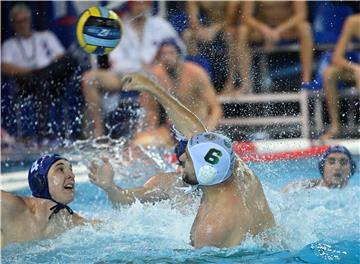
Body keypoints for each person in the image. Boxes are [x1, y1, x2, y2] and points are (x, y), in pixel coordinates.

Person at [88, 73, 275, 248]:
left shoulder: (211, 229)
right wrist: (110, 187)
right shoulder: (229, 168)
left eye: (186, 161)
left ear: (204, 171)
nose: (180, 162)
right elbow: (197, 131)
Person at [81, 1, 184, 138]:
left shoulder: (160, 25)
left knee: (154, 75)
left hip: (157, 75)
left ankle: (150, 132)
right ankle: (98, 135)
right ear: (129, 5)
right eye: (137, 3)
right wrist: (142, 68)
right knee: (89, 79)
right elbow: (117, 64)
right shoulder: (117, 28)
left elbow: (180, 50)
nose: (141, 6)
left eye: (144, 3)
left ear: (149, 5)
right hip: (125, 77)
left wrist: (161, 62)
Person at [1, 3, 79, 141]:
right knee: (41, 83)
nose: (22, 24)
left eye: (24, 20)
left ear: (30, 20)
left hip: (53, 81)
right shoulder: (9, 45)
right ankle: (43, 133)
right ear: (13, 24)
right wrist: (31, 72)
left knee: (70, 60)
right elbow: (5, 67)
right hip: (27, 83)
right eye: (18, 22)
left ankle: (41, 78)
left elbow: (62, 57)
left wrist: (42, 72)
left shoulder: (45, 36)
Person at [133, 38, 223, 147]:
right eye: (163, 54)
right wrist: (147, 131)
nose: (167, 58)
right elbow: (151, 112)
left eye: (170, 53)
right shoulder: (155, 77)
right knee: (139, 142)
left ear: (179, 56)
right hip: (172, 131)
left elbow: (216, 109)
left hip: (198, 128)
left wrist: (207, 132)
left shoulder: (196, 73)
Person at [1, 154, 96, 248]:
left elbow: (108, 229)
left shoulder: (68, 220)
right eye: (60, 169)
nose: (72, 175)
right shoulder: (11, 207)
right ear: (41, 180)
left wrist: (109, 187)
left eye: (70, 169)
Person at [230, 1, 313, 95]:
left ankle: (306, 82)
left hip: (288, 28)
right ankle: (245, 84)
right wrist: (264, 29)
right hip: (263, 30)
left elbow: (301, 14)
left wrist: (278, 30)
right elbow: (246, 17)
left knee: (305, 28)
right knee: (242, 31)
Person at [320, 14, 360, 141]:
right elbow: (336, 57)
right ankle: (335, 126)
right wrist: (355, 68)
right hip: (357, 70)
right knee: (329, 73)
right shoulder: (354, 22)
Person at [182, 1, 234, 94]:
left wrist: (214, 29)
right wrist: (200, 30)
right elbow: (192, 20)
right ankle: (195, 82)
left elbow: (231, 19)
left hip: (225, 28)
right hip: (207, 28)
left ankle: (230, 82)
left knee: (230, 34)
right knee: (187, 35)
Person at [282, 145, 357, 192]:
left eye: (343, 162)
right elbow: (286, 190)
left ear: (351, 169)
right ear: (322, 167)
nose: (337, 167)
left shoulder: (354, 193)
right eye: (331, 162)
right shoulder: (305, 188)